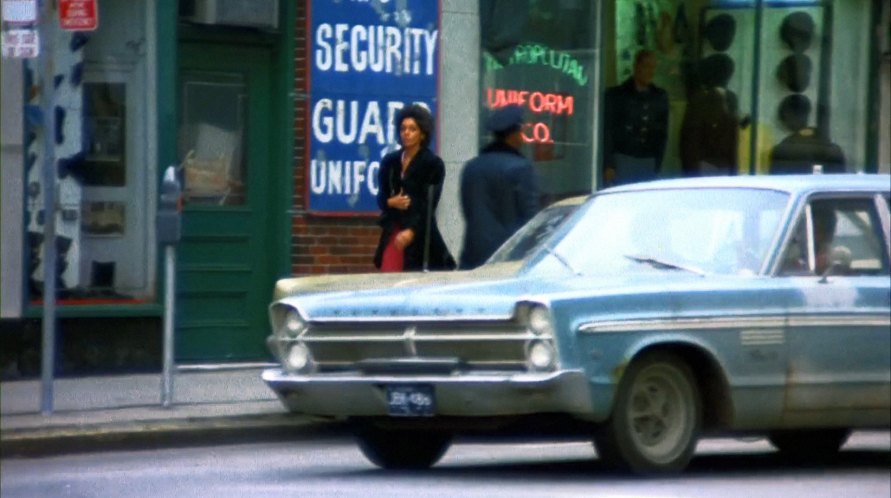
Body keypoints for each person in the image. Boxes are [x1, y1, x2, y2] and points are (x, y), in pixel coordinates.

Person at [373, 104, 455, 272]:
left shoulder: (432, 164)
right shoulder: (390, 161)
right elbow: (381, 197)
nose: (406, 133)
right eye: (403, 129)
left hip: (420, 234)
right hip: (394, 229)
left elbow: (430, 204)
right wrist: (390, 202)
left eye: (412, 129)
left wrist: (411, 231)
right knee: (389, 276)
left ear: (422, 134)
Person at [459, 104, 540, 270]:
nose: (523, 137)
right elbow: (530, 220)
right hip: (508, 258)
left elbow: (468, 211)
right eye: (521, 131)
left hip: (472, 257)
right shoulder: (521, 168)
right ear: (513, 134)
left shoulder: (471, 167)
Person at [602, 49, 669, 186]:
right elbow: (607, 131)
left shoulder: (659, 97)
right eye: (646, 66)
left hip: (648, 158)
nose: (650, 72)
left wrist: (658, 162)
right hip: (623, 157)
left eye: (653, 67)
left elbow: (662, 133)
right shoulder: (617, 95)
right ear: (636, 66)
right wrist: (608, 164)